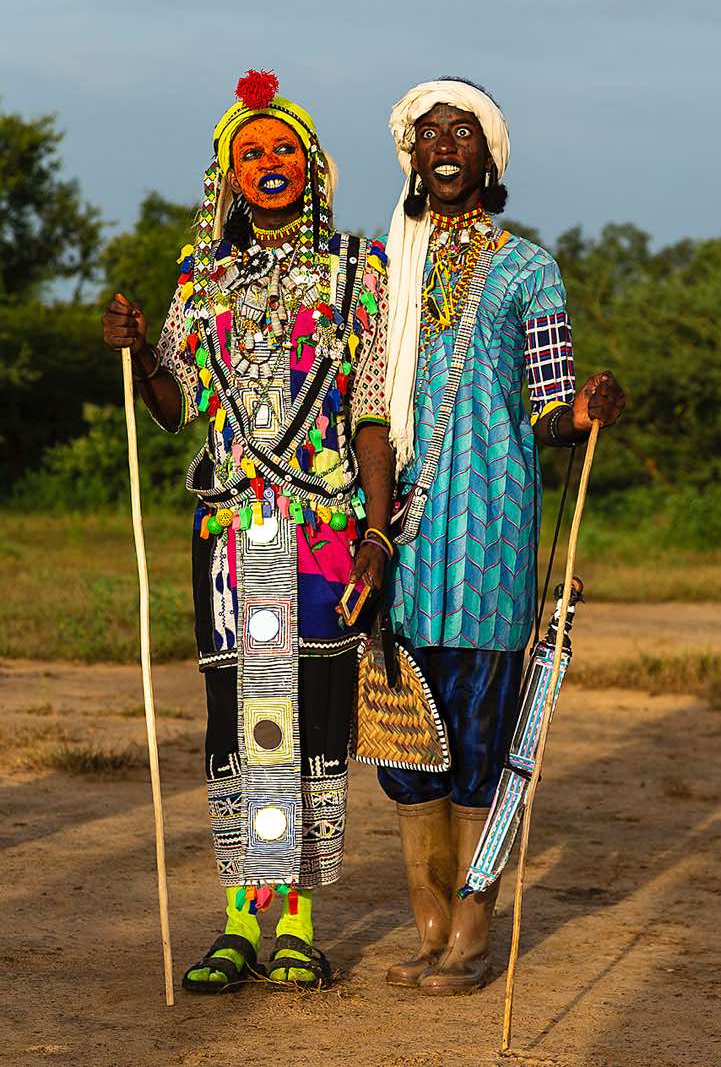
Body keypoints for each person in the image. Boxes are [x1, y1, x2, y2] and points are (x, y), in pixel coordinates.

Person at [102, 69, 393, 992]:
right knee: (240, 720)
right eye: (249, 152)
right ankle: (240, 916)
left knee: (312, 719)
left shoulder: (359, 269)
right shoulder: (205, 276)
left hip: (325, 529)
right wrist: (140, 351)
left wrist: (378, 534)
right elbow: (173, 401)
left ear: (312, 166)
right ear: (226, 176)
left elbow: (377, 413)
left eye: (284, 150)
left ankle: (299, 923)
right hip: (231, 536)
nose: (269, 164)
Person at [379, 77, 625, 995]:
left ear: (489, 156)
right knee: (407, 738)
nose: (445, 145)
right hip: (399, 538)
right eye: (429, 132)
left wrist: (585, 409)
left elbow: (550, 409)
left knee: (480, 733)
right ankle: (430, 925)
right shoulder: (383, 270)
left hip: (489, 531)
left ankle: (473, 936)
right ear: (411, 156)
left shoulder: (529, 269)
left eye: (464, 133)